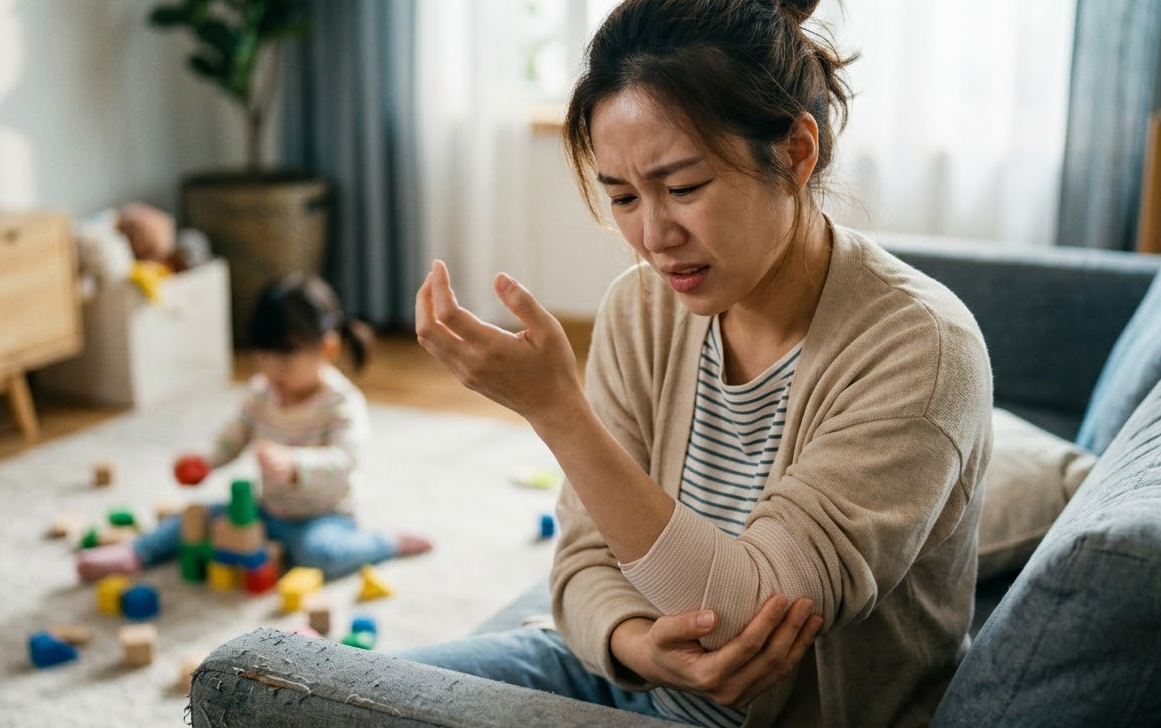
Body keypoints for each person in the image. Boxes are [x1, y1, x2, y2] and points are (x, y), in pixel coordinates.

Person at [406, 0, 993, 726]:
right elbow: (583, 557)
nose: (654, 236)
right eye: (623, 196)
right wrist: (637, 645)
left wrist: (557, 411)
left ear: (796, 153)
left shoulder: (922, 350)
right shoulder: (642, 308)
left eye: (683, 188)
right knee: (321, 695)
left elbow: (751, 615)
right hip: (621, 680)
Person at [77, 272, 433, 583]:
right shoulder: (262, 393)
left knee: (318, 555)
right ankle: (137, 552)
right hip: (267, 509)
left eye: (286, 359)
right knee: (194, 519)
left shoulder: (340, 403)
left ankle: (385, 543)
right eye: (262, 357)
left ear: (327, 349)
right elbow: (235, 434)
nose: (272, 370)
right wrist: (206, 461)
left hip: (323, 516)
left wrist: (294, 464)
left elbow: (346, 459)